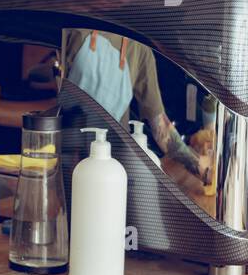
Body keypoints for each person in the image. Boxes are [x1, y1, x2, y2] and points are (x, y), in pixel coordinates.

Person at [61, 28, 211, 180]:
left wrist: (197, 165)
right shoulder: (74, 29)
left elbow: (161, 127)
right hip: (68, 156)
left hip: (114, 164)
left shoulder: (140, 49)